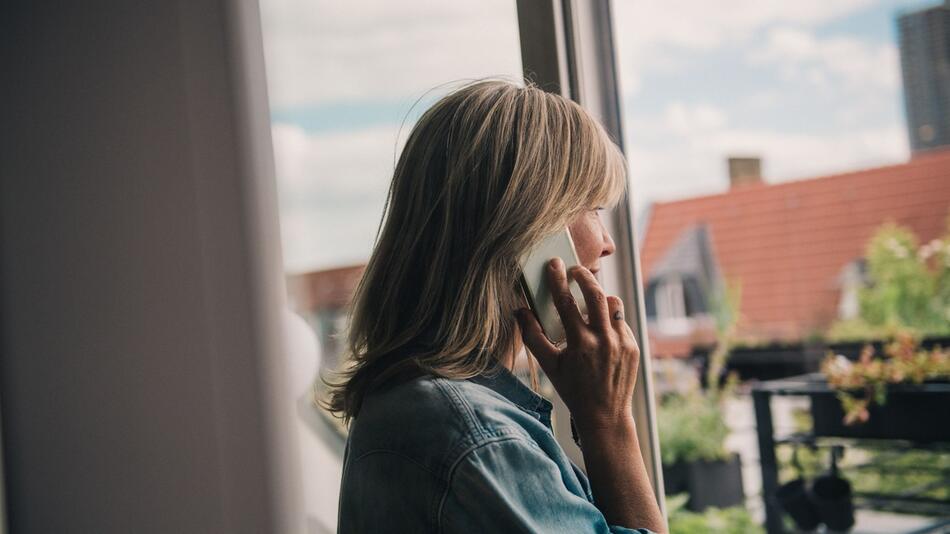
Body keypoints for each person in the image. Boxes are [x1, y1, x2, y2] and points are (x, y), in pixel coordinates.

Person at [325, 79, 666, 533]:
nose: (607, 244)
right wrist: (609, 421)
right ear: (529, 228)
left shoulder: (422, 405)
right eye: (592, 207)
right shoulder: (476, 437)